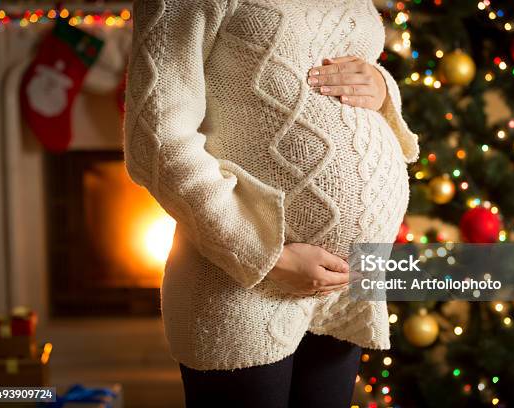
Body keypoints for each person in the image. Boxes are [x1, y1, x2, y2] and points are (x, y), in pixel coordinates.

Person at [123, 0, 418, 406]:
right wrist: (267, 255)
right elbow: (156, 140)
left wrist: (382, 87)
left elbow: (316, 65)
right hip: (239, 283)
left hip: (345, 286)